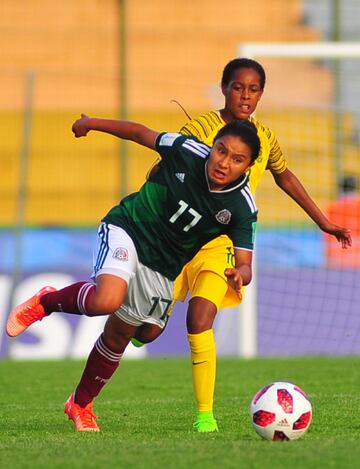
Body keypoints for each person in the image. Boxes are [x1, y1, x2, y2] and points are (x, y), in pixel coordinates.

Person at [81, 58, 352, 434]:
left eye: (253, 89)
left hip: (222, 244)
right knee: (147, 332)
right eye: (238, 87)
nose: (245, 96)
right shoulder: (202, 127)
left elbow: (284, 175)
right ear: (224, 88)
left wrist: (323, 221)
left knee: (199, 318)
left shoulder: (264, 139)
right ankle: (127, 328)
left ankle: (205, 416)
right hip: (176, 239)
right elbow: (168, 161)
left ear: (261, 94)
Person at [6, 116, 261, 432]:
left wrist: (240, 273)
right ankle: (47, 303)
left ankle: (77, 401)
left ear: (247, 167)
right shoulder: (187, 150)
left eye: (237, 159)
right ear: (212, 146)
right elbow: (141, 133)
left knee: (141, 333)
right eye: (221, 150)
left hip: (164, 265)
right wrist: (92, 124)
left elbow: (246, 263)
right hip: (130, 227)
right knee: (107, 300)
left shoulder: (242, 206)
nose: (224, 162)